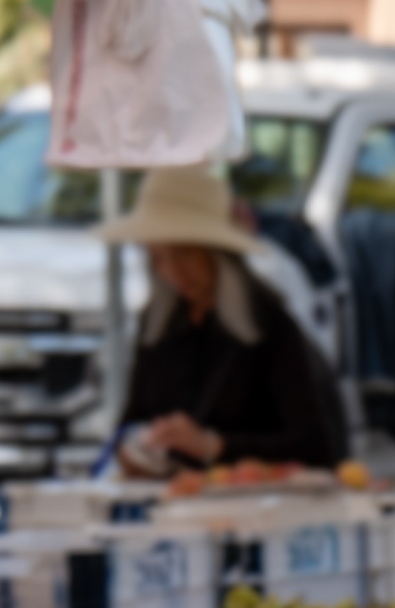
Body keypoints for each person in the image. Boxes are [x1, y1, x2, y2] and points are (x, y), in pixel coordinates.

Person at [104, 162, 350, 477]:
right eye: (159, 259)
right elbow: (129, 422)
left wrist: (214, 445)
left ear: (217, 253)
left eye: (185, 255)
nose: (173, 273)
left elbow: (315, 445)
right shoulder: (158, 324)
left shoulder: (266, 325)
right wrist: (137, 446)